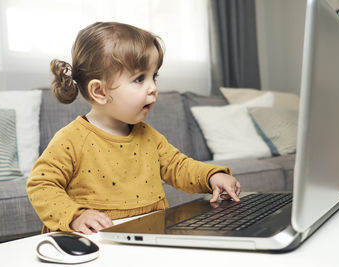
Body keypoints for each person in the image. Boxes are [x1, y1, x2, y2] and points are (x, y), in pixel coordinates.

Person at [27, 22, 241, 235]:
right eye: (139, 78)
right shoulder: (71, 138)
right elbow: (41, 184)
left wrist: (211, 176)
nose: (153, 88)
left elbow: (179, 167)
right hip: (97, 242)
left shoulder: (148, 135)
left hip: (149, 236)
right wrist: (75, 216)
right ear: (99, 91)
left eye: (154, 76)